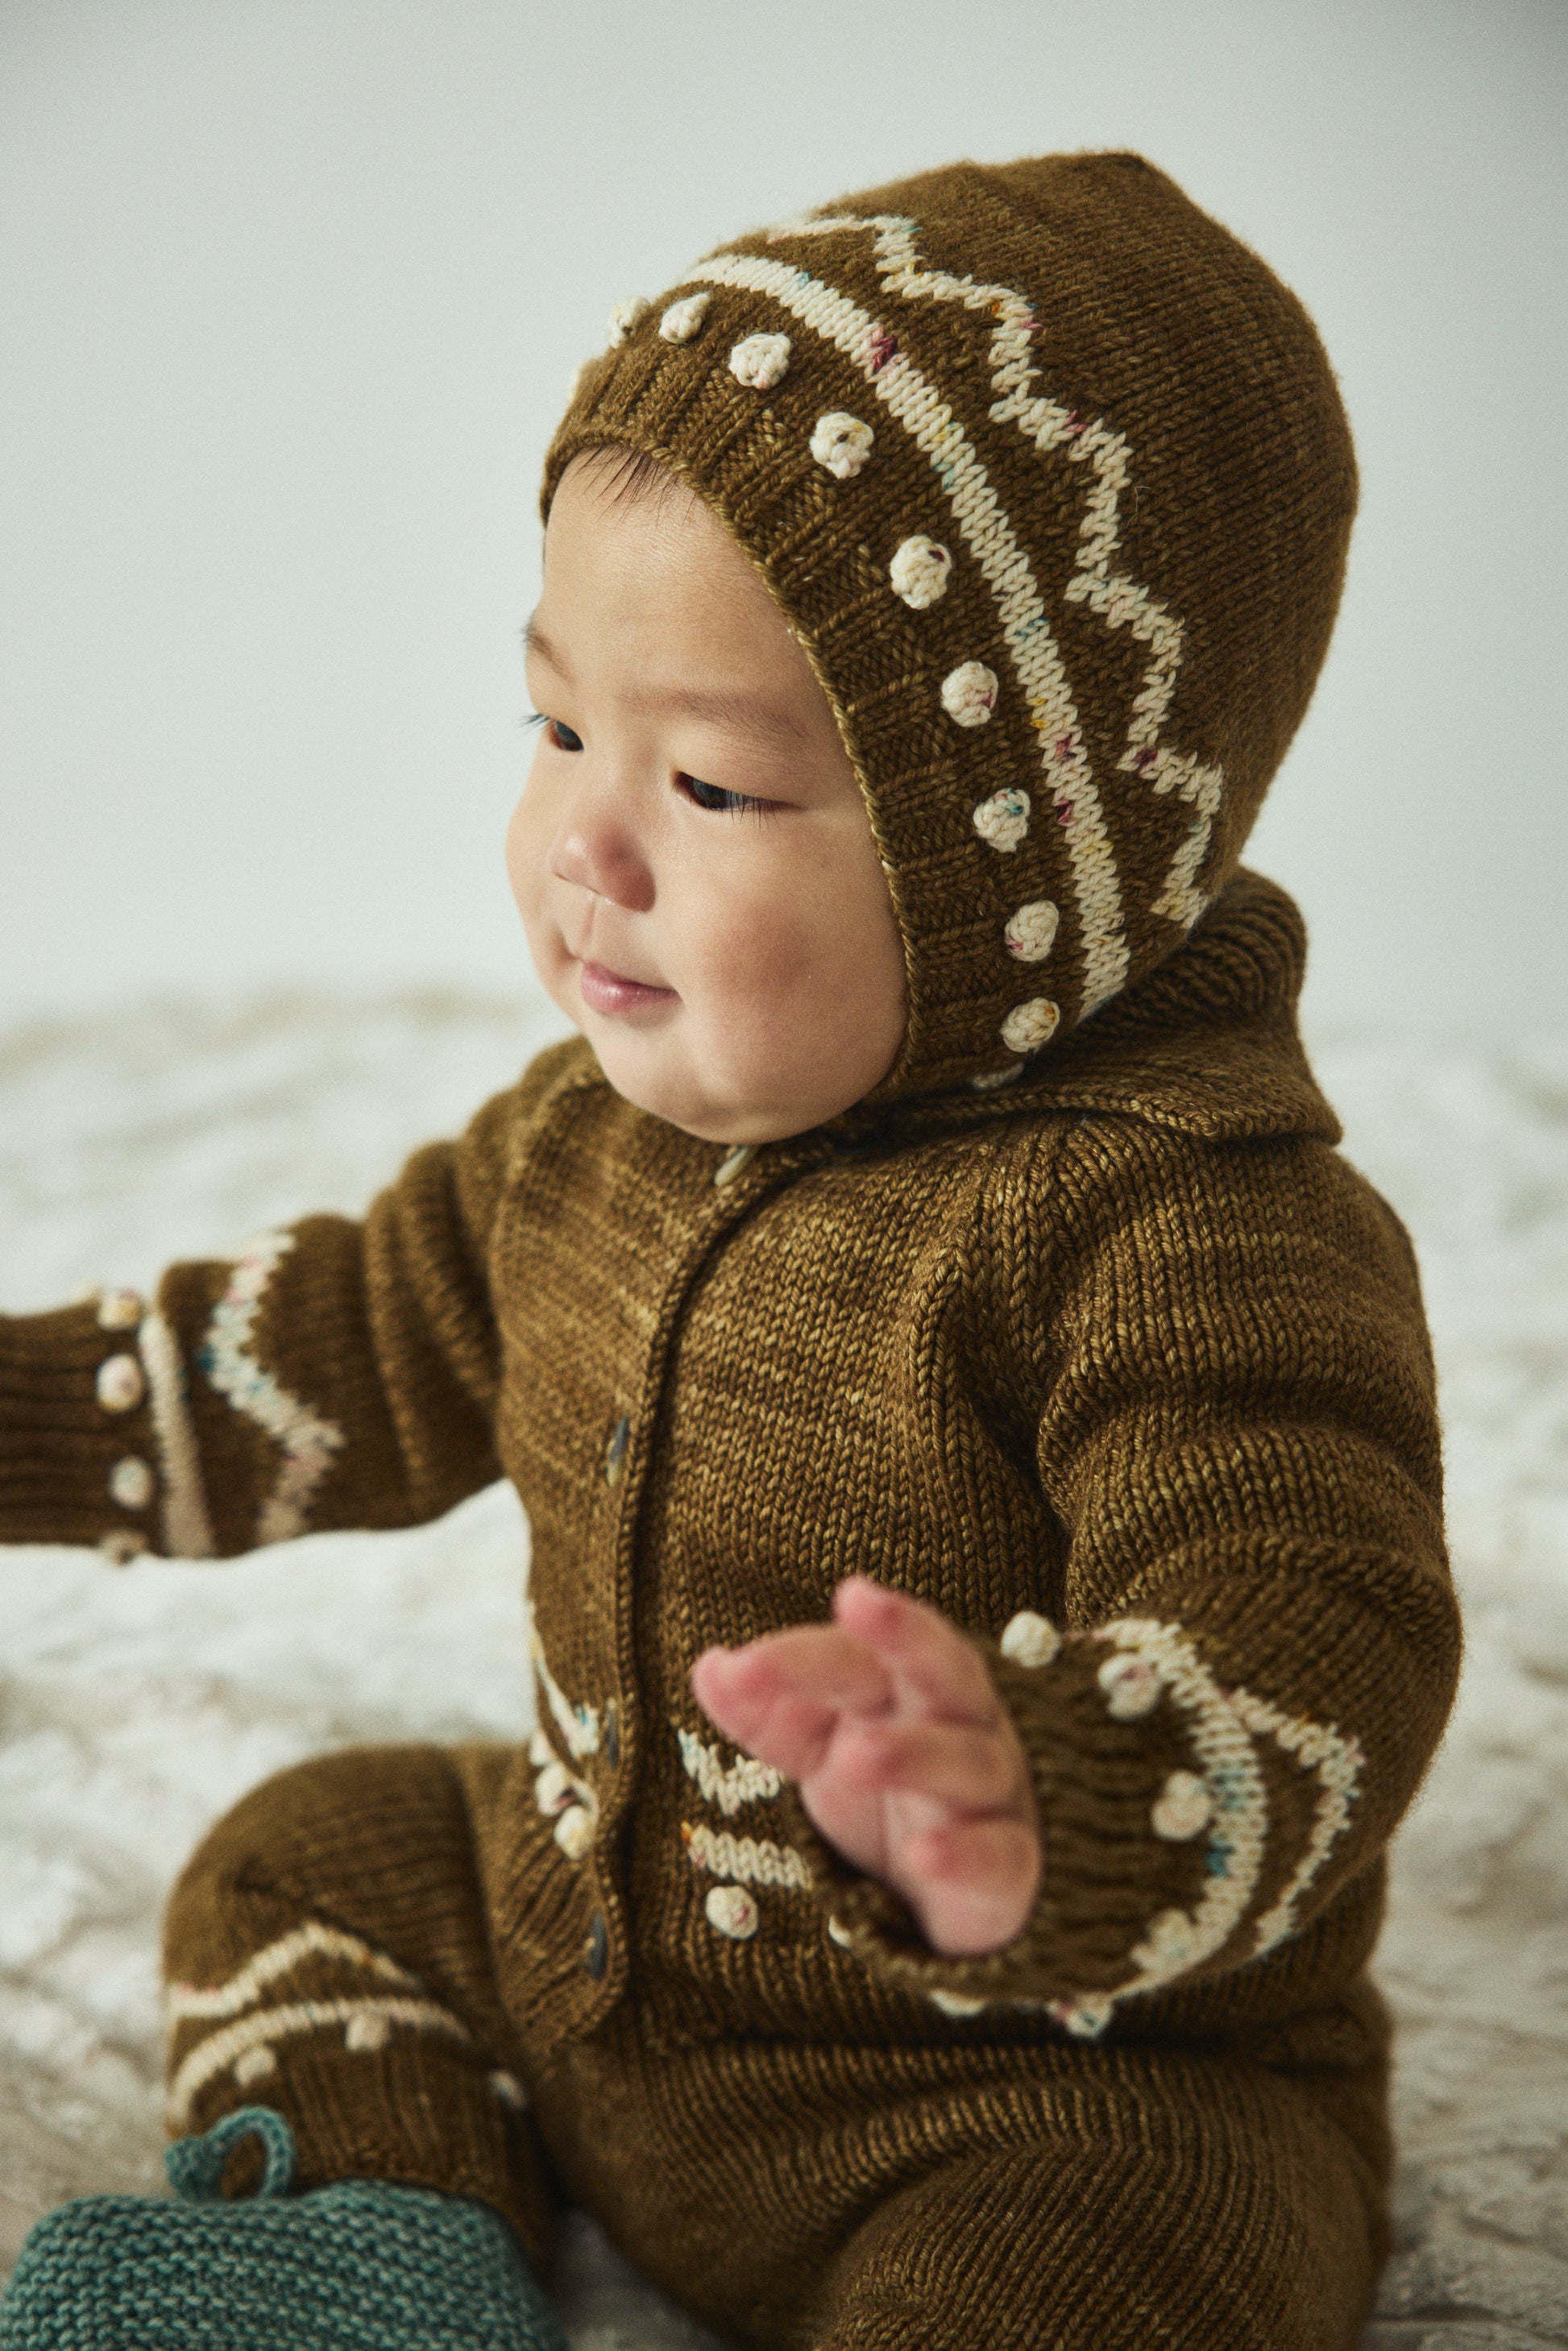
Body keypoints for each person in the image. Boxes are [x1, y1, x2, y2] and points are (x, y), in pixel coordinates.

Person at [0, 151, 1458, 2351]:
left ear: (1016, 878)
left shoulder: (1182, 1228)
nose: (581, 842)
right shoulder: (576, 1150)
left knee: (1115, 2261)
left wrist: (1035, 1796)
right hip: (598, 1986)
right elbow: (326, 1352)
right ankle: (363, 2264)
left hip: (1040, 2094)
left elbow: (1316, 1612)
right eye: (557, 725)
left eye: (713, 788)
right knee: (312, 1850)